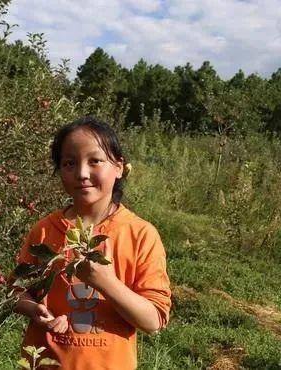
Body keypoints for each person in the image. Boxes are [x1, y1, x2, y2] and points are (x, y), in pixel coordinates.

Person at [10, 117, 171, 370]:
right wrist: (34, 310)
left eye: (95, 161)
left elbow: (153, 320)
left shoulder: (140, 235)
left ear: (119, 167)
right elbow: (15, 292)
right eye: (69, 163)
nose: (82, 173)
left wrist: (104, 281)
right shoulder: (44, 231)